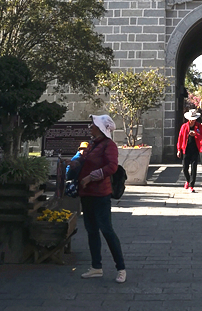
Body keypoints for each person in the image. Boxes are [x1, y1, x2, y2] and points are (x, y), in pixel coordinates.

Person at [75, 114, 126, 283]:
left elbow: (112, 166)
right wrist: (73, 163)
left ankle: (121, 268)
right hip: (87, 193)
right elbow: (85, 162)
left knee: (106, 230)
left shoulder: (109, 145)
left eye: (93, 124)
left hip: (100, 194)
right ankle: (96, 267)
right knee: (91, 230)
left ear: (100, 128)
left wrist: (91, 177)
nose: (90, 127)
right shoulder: (92, 144)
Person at [176, 109, 202, 192]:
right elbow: (180, 138)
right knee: (185, 167)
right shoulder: (184, 126)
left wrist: (196, 134)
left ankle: (191, 185)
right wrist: (179, 149)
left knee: (194, 167)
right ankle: (188, 180)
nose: (192, 121)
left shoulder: (199, 126)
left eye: (194, 119)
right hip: (186, 149)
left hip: (195, 149)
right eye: (191, 119)